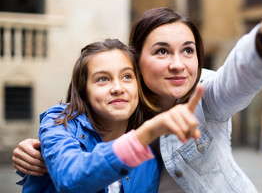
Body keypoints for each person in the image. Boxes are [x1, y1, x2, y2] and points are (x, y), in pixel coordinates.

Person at [13, 0, 262, 192]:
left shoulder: (205, 94)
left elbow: (239, 78)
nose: (178, 64)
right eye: (161, 51)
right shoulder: (122, 108)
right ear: (136, 62)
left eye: (188, 50)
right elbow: (77, 156)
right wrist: (40, 153)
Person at [20, 38, 204, 193]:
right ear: (85, 91)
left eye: (127, 77)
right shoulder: (59, 120)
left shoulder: (150, 162)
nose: (118, 88)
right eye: (102, 79)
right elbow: (70, 179)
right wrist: (147, 132)